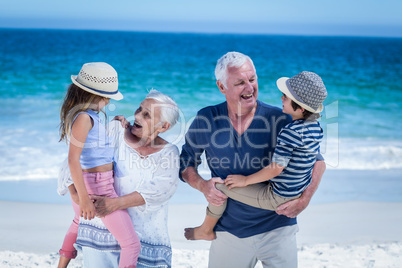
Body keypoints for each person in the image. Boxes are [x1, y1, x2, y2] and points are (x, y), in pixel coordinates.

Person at [180, 52, 326, 268]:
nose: (249, 88)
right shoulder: (206, 119)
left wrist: (304, 200)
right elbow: (185, 163)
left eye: (252, 79)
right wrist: (203, 186)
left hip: (279, 228)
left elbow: (318, 162)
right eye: (240, 83)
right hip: (229, 232)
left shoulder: (283, 119)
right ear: (222, 87)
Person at [73, 89, 180, 268]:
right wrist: (79, 198)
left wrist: (115, 203)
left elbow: (161, 191)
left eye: (147, 115)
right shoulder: (116, 132)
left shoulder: (169, 153)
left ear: (163, 127)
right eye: (139, 109)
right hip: (103, 230)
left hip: (147, 235)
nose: (138, 116)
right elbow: (81, 160)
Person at [57, 62, 140, 268]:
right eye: (108, 97)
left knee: (78, 223)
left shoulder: (89, 117)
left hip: (92, 183)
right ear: (96, 96)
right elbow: (72, 159)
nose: (109, 100)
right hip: (97, 187)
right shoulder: (84, 118)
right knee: (131, 245)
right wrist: (84, 199)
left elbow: (95, 147)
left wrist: (114, 122)